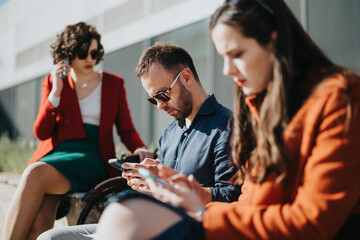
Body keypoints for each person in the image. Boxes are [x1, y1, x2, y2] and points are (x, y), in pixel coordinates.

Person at [93, 0, 360, 239]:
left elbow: (311, 223)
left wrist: (202, 211)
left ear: (274, 42)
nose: (226, 70)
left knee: (126, 214)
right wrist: (191, 194)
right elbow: (249, 203)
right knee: (114, 215)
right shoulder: (262, 109)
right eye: (223, 56)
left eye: (237, 54)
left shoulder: (340, 97)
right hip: (235, 226)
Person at [36, 42, 241, 240]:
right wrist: (148, 180)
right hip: (152, 220)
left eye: (163, 95)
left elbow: (230, 196)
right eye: (154, 99)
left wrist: (171, 187)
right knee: (50, 237)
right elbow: (161, 187)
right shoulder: (170, 132)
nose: (160, 106)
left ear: (186, 77)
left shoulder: (227, 126)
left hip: (187, 228)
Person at [2, 21, 153, 240]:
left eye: (95, 52)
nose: (91, 59)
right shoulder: (53, 83)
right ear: (68, 54)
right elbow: (41, 132)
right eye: (84, 52)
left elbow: (126, 128)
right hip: (57, 156)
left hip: (92, 157)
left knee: (34, 174)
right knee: (38, 224)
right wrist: (56, 92)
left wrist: (139, 147)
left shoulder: (113, 84)